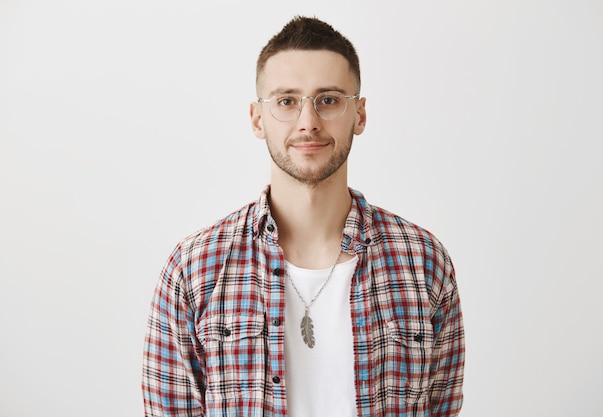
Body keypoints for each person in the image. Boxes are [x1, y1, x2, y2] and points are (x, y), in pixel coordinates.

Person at [142, 15, 465, 417]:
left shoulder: (423, 262)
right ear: (258, 118)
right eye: (286, 101)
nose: (308, 122)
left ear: (359, 115)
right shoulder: (193, 269)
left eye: (328, 99)